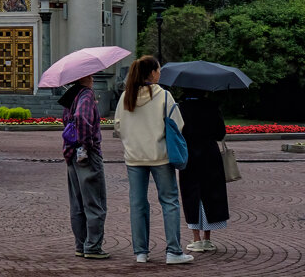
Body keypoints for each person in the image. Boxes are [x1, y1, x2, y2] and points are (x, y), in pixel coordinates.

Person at [114, 55, 193, 265]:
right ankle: (173, 251)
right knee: (169, 202)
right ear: (151, 73)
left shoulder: (126, 97)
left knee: (138, 204)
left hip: (134, 157)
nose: (160, 73)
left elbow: (118, 127)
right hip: (160, 157)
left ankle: (141, 252)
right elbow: (178, 125)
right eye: (158, 69)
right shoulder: (164, 96)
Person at [59, 73, 108, 259]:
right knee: (95, 201)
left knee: (77, 202)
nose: (93, 79)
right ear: (84, 77)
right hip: (86, 154)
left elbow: (68, 120)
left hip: (71, 153)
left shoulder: (71, 95)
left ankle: (81, 244)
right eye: (91, 76)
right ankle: (93, 246)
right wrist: (86, 145)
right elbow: (81, 117)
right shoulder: (86, 95)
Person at [178, 88, 229, 252]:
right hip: (210, 154)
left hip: (189, 154)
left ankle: (196, 239)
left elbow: (177, 131)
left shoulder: (181, 108)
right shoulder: (212, 106)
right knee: (211, 193)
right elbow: (220, 133)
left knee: (191, 194)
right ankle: (207, 238)